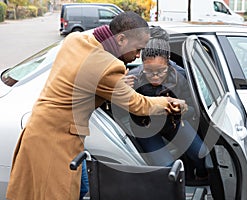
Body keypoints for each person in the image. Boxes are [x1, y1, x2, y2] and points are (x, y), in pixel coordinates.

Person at [6, 12, 186, 200]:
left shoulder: (76, 39)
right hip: (56, 140)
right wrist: (170, 103)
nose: (138, 56)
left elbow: (81, 79)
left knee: (82, 187)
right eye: (137, 49)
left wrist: (115, 87)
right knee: (60, 194)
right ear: (121, 39)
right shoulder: (107, 66)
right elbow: (138, 105)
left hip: (40, 129)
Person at [125, 26, 208, 180]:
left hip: (174, 123)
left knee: (202, 155)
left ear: (169, 62)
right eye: (149, 71)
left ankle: (200, 177)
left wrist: (182, 109)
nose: (155, 77)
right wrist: (121, 89)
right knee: (168, 170)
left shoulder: (181, 75)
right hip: (145, 128)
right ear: (142, 63)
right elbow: (121, 110)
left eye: (160, 71)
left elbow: (193, 109)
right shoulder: (132, 78)